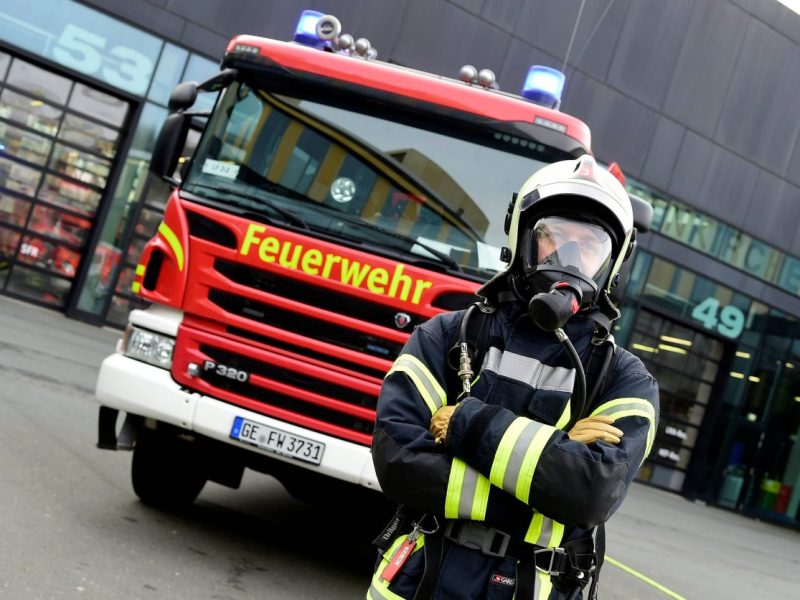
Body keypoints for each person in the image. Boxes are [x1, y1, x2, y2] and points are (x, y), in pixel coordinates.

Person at [367, 154, 659, 600]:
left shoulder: (622, 379)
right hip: (418, 580)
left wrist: (465, 425)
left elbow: (589, 494)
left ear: (613, 263)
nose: (569, 257)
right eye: (554, 236)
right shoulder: (447, 335)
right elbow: (400, 465)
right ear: (522, 237)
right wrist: (551, 470)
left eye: (590, 244)